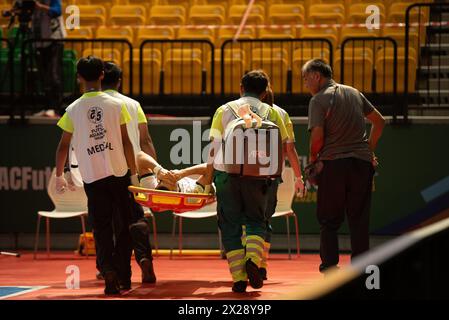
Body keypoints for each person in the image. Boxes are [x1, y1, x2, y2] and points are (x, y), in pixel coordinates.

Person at [55, 56, 138, 295]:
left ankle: (108, 270)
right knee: (124, 226)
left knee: (101, 228)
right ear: (103, 75)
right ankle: (123, 276)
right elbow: (126, 142)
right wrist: (134, 175)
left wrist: (61, 175)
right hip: (119, 174)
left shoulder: (73, 109)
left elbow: (63, 146)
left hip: (93, 177)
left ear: (79, 78)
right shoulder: (117, 105)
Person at [202, 70, 289, 293]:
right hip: (259, 177)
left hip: (226, 176)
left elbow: (214, 148)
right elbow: (282, 147)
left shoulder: (223, 110)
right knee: (257, 221)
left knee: (230, 226)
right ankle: (253, 259)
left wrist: (207, 178)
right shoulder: (272, 112)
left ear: (241, 87)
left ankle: (239, 278)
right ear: (265, 91)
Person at [302, 59, 385, 273]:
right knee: (359, 220)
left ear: (316, 76)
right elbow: (379, 121)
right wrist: (369, 150)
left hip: (333, 166)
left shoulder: (318, 100)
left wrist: (313, 159)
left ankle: (330, 268)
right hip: (361, 165)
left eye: (305, 78)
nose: (305, 83)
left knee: (329, 220)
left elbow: (318, 138)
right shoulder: (355, 93)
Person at [100, 61, 158, 285]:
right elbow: (145, 140)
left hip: (107, 170)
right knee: (135, 216)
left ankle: (121, 273)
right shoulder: (134, 104)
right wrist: (155, 171)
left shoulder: (97, 105)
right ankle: (143, 257)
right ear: (120, 81)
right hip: (134, 170)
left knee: (116, 223)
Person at [257, 70, 306, 280]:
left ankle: (248, 262)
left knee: (247, 221)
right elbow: (290, 150)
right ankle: (261, 263)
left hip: (242, 177)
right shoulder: (281, 113)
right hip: (269, 176)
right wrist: (298, 177)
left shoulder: (236, 110)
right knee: (264, 220)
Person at [32, 0, 65, 115]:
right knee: (44, 76)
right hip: (39, 41)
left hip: (54, 40)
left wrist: (40, 6)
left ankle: (56, 108)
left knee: (53, 75)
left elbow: (57, 11)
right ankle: (47, 107)